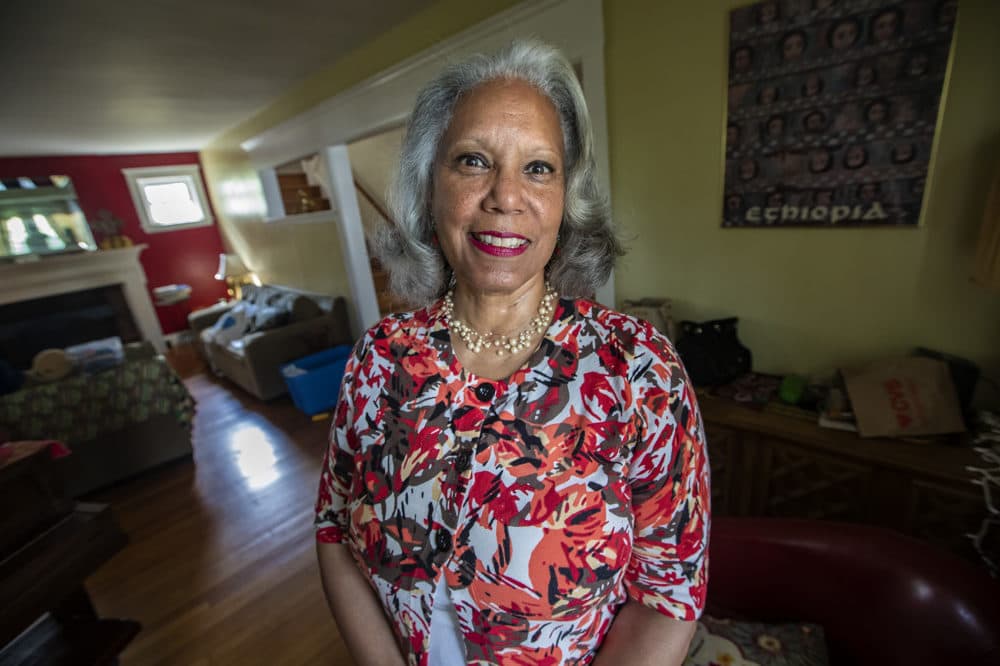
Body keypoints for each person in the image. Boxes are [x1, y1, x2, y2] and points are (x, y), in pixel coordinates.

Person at [315, 40, 710, 666]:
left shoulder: (639, 369)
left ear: (565, 199)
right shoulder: (379, 357)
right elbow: (335, 528)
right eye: (473, 161)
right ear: (430, 187)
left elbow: (668, 593)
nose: (504, 196)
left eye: (538, 168)